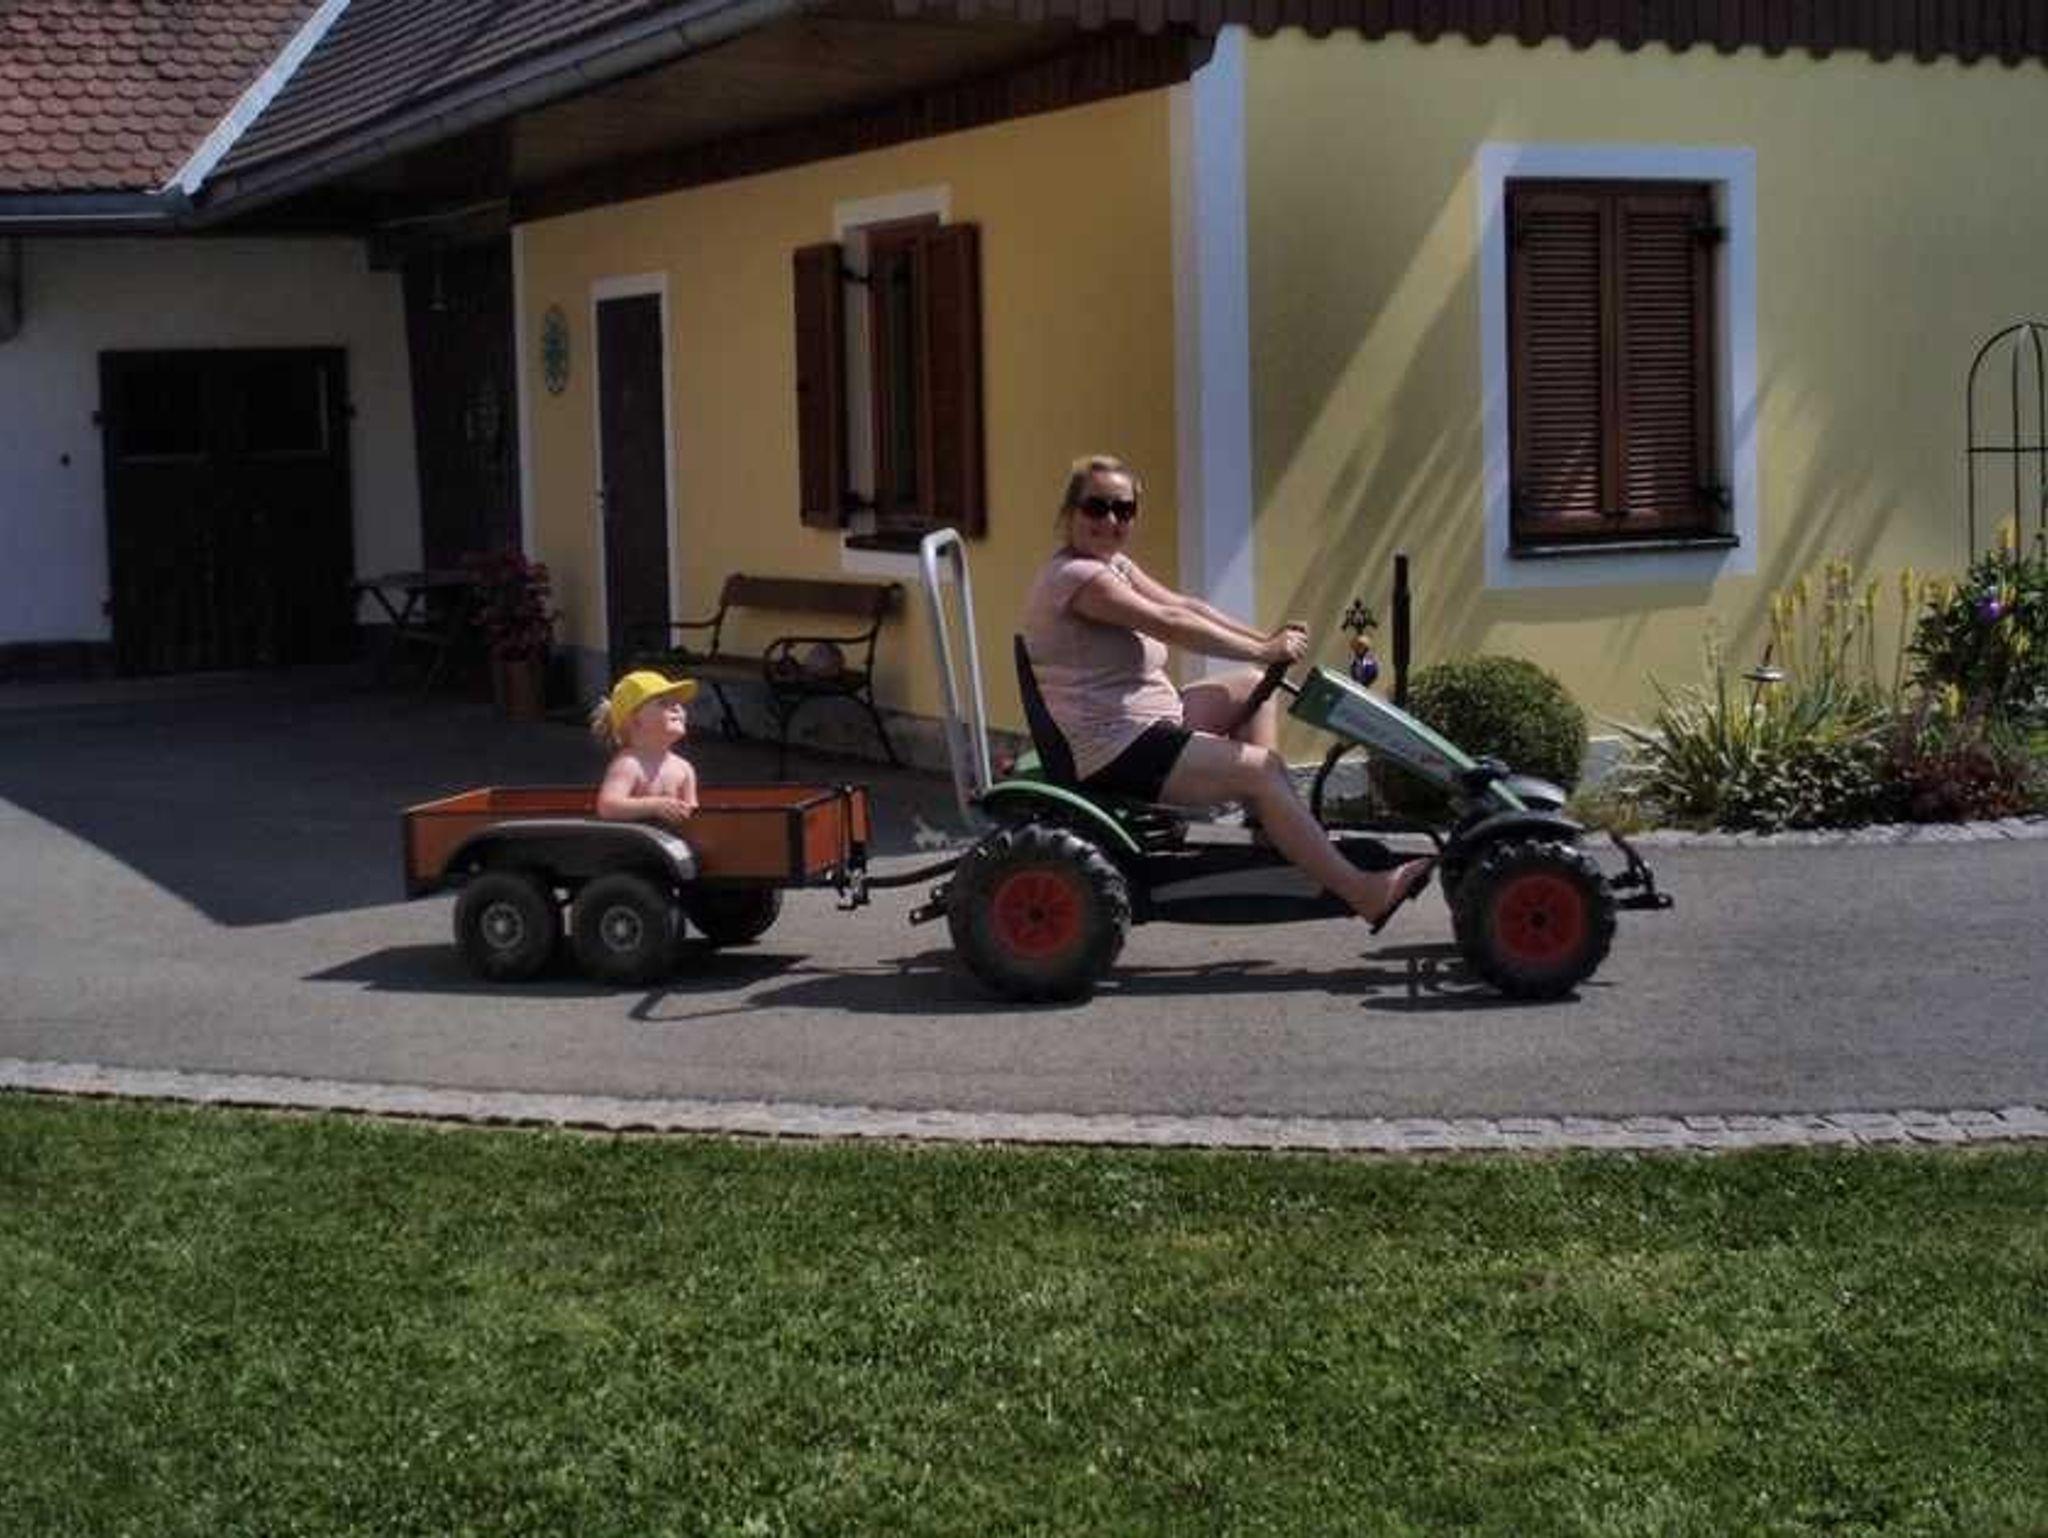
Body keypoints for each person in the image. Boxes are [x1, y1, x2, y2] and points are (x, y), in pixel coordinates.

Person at [1021, 454, 1433, 930]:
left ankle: (1273, 828)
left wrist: (1265, 643)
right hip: (1116, 746)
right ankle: (1364, 892)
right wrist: (1264, 649)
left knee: (1253, 686)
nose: (1110, 520)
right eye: (1097, 507)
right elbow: (1169, 623)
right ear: (1070, 512)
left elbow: (1185, 606)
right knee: (1262, 770)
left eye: (1123, 509)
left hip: (1149, 721)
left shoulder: (1113, 565)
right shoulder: (1078, 578)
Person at [589, 669, 699, 832]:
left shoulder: (684, 768)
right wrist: (653, 806)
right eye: (663, 703)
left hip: (671, 843)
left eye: (677, 703)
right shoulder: (629, 764)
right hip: (634, 844)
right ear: (634, 720)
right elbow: (608, 807)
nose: (677, 708)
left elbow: (694, 814)